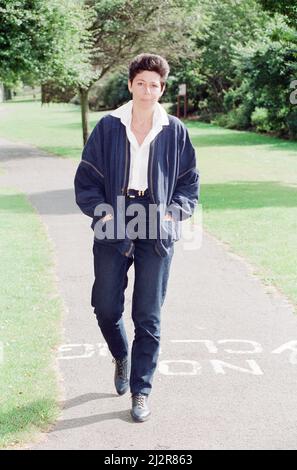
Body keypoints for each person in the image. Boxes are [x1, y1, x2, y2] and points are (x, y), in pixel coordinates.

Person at [74, 53, 199, 423]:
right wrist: (102, 209)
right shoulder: (108, 126)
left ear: (163, 89)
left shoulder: (174, 130)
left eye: (155, 85)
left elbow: (189, 181)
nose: (148, 91)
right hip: (116, 215)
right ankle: (121, 354)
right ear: (130, 85)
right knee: (106, 306)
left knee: (148, 314)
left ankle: (141, 390)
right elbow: (87, 178)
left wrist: (175, 211)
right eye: (141, 83)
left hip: (157, 221)